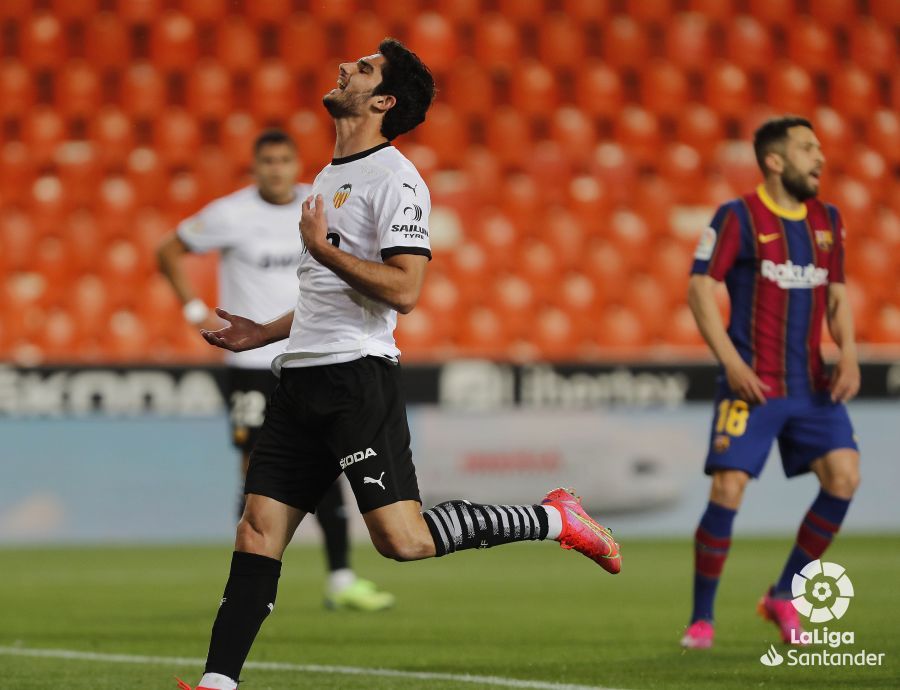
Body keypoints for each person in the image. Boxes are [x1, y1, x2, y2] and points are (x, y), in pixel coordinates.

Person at [176, 38, 621, 690]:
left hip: (357, 379)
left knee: (402, 541)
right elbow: (328, 299)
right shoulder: (330, 174)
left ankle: (556, 518)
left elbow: (405, 290)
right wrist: (263, 333)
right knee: (257, 528)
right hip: (300, 376)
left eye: (362, 70)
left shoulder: (396, 179)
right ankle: (218, 685)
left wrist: (321, 250)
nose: (344, 68)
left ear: (382, 101)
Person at [157, 129, 395, 612]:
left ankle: (341, 579)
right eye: (267, 161)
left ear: (295, 164)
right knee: (257, 474)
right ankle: (250, 581)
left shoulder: (320, 203)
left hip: (311, 355)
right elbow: (168, 250)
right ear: (256, 166)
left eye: (285, 160)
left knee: (330, 469)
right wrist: (193, 310)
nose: (277, 169)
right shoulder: (230, 213)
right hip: (251, 363)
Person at [681, 116, 860, 649]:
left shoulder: (828, 220)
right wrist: (731, 361)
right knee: (729, 487)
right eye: (808, 148)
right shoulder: (738, 216)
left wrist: (849, 352)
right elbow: (697, 287)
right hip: (752, 385)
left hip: (811, 385)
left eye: (820, 147)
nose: (820, 157)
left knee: (844, 478)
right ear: (775, 160)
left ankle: (784, 593)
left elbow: (837, 297)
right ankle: (702, 619)